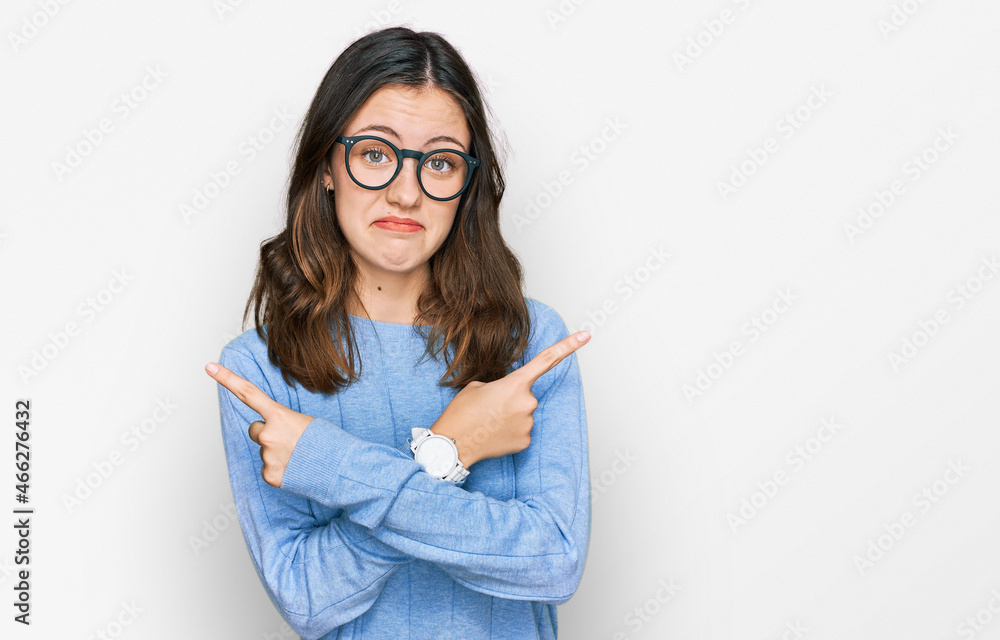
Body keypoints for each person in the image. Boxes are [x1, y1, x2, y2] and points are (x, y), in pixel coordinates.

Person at [204, 26, 591, 640]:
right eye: (375, 154)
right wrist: (445, 454)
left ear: (466, 184)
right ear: (327, 167)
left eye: (439, 162)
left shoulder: (532, 343)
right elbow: (307, 597)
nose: (406, 194)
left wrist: (334, 464)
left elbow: (553, 563)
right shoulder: (258, 370)